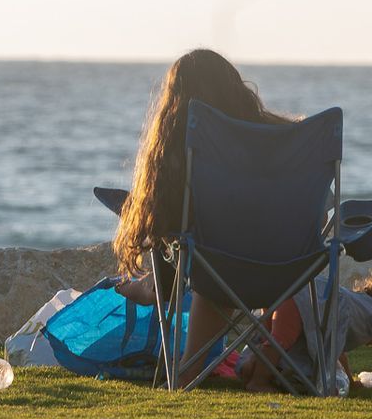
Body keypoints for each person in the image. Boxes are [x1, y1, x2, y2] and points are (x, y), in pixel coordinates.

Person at [110, 49, 295, 382]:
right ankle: (264, 369)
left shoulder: (182, 142)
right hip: (292, 267)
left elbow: (165, 222)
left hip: (219, 269)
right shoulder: (284, 136)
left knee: (209, 258)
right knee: (221, 254)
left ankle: (188, 370)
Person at [238, 276, 372, 392]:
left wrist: (350, 380)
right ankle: (258, 381)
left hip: (289, 289)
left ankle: (252, 365)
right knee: (279, 342)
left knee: (273, 340)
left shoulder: (355, 303)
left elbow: (337, 352)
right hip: (302, 300)